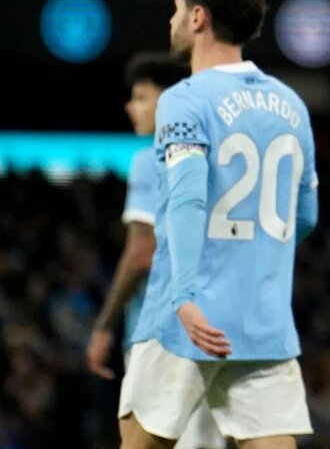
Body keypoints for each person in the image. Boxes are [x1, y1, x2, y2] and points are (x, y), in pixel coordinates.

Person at [119, 0, 320, 449]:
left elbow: (187, 200)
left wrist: (185, 296)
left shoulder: (184, 100)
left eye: (175, 9)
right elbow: (305, 217)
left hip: (185, 318)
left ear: (198, 17)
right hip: (263, 320)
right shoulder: (292, 106)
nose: (170, 20)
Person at [87, 52, 225, 449]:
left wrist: (103, 325)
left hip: (162, 330)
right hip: (220, 324)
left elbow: (140, 252)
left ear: (170, 101)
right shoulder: (216, 158)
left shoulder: (151, 160)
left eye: (141, 97)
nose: (131, 107)